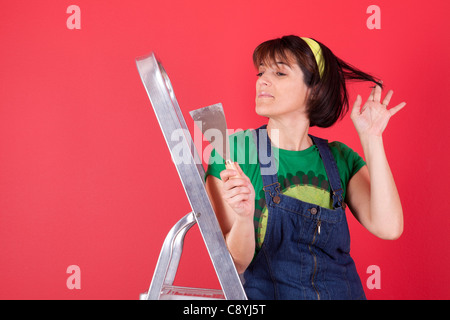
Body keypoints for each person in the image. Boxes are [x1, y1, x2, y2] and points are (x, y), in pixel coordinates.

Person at [205, 35, 405, 300]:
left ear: (315, 89)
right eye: (261, 71)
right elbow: (234, 265)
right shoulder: (233, 152)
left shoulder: (339, 158)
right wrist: (243, 216)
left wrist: (372, 139)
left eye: (279, 72)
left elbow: (389, 227)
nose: (262, 80)